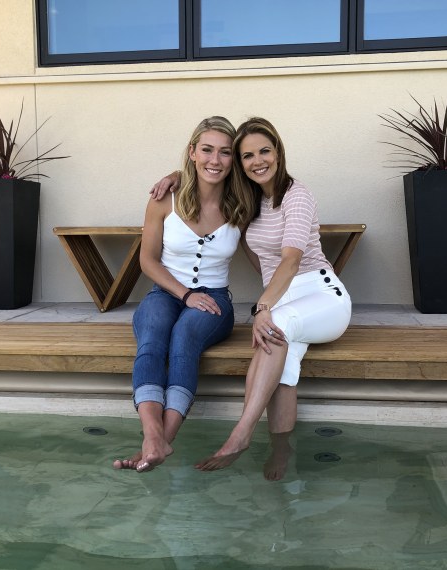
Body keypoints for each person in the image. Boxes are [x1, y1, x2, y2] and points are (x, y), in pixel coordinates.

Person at [153, 118, 352, 476]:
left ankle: (241, 433)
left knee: (272, 327)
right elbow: (206, 170)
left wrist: (263, 307)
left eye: (265, 151)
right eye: (247, 155)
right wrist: (175, 175)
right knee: (284, 369)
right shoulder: (250, 200)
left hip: (323, 296)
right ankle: (281, 454)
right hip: (286, 301)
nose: (257, 160)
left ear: (278, 153)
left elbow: (291, 260)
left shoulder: (297, 194)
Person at [113, 116, 253, 473]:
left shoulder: (242, 204)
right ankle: (152, 437)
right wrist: (184, 293)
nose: (215, 160)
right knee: (154, 335)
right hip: (165, 291)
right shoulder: (165, 200)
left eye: (225, 153)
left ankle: (163, 441)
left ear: (233, 160)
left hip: (215, 299)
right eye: (206, 149)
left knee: (185, 336)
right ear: (192, 152)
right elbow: (147, 259)